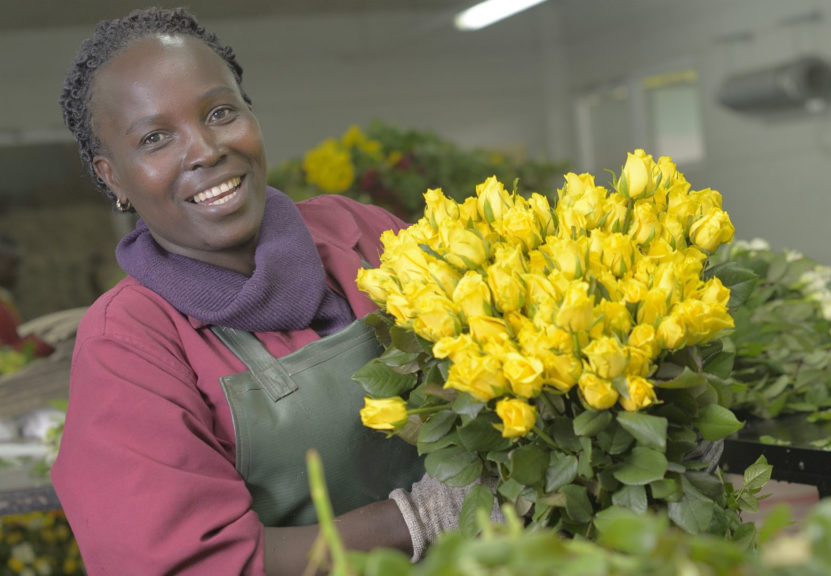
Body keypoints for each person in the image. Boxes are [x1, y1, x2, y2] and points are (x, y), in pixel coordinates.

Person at [51, 8, 476, 574]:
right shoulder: (130, 343)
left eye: (220, 112)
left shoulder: (361, 234)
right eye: (155, 138)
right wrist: (418, 521)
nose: (204, 149)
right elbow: (181, 561)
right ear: (113, 176)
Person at [0, 236, 54, 358]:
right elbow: (6, 353)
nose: (16, 272)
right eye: (12, 265)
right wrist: (40, 345)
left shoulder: (4, 300)